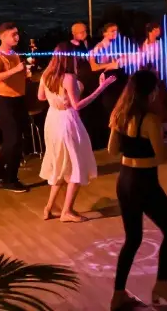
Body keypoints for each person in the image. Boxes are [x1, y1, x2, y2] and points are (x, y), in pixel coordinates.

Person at [109, 69, 167, 310]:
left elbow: (112, 151)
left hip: (125, 180)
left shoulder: (119, 114)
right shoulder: (150, 120)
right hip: (145, 182)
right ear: (151, 92)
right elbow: (161, 156)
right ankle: (162, 284)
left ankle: (118, 295)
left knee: (133, 239)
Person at [37, 46, 115, 222]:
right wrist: (101, 88)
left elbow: (41, 97)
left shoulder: (46, 75)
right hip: (67, 121)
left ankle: (49, 208)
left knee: (60, 164)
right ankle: (67, 211)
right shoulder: (69, 78)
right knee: (76, 165)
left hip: (52, 120)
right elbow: (77, 105)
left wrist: (55, 98)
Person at [0, 22, 31, 193]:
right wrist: (16, 70)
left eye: (17, 33)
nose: (17, 37)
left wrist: (25, 73)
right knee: (12, 140)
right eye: (13, 34)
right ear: (2, 36)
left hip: (19, 100)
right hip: (5, 101)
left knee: (16, 140)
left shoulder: (15, 55)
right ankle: (10, 179)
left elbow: (18, 75)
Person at [63, 22, 118, 149]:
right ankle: (89, 142)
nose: (85, 34)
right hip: (81, 80)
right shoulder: (70, 47)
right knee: (85, 111)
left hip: (94, 79)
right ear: (74, 33)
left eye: (85, 31)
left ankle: (100, 141)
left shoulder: (90, 43)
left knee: (97, 109)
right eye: (81, 32)